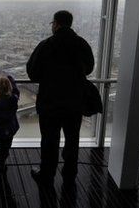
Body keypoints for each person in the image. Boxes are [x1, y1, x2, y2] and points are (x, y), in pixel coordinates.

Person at [26, 10, 94, 185]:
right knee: (72, 138)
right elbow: (89, 68)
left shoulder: (46, 45)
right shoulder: (81, 44)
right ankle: (70, 172)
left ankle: (47, 174)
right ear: (69, 24)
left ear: (55, 24)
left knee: (49, 139)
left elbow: (33, 73)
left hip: (50, 102)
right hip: (75, 101)